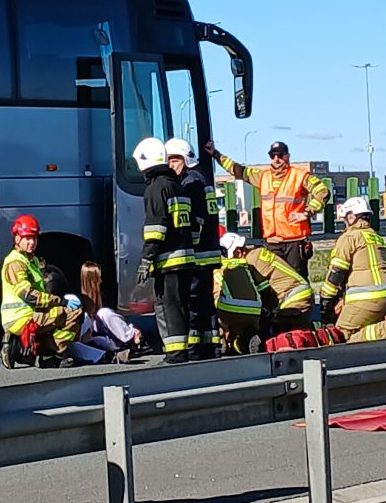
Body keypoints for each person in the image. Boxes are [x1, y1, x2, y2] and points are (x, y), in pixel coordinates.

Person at [204, 138, 330, 279]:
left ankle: (303, 302)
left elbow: (323, 191)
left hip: (295, 240)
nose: (276, 159)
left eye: (280, 155)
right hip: (272, 242)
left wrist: (308, 212)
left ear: (287, 156)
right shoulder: (263, 177)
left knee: (297, 278)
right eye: (273, 155)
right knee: (275, 280)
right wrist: (215, 154)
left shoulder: (299, 176)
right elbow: (237, 170)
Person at [132, 137, 195, 364]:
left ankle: (176, 355)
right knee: (180, 306)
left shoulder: (155, 188)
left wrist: (146, 259)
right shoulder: (177, 185)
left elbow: (156, 230)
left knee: (169, 308)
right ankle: (182, 351)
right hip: (185, 258)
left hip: (169, 260)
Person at [0, 215, 82, 368]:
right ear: (17, 238)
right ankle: (49, 355)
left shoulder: (32, 261)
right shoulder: (15, 262)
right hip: (21, 317)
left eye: (34, 238)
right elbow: (29, 296)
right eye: (27, 238)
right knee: (71, 314)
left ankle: (25, 351)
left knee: (64, 313)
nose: (32, 242)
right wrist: (60, 301)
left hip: (30, 315)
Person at [165, 139, 222, 359]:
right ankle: (210, 346)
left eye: (174, 159)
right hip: (207, 252)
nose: (171, 165)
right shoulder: (202, 178)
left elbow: (195, 220)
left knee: (194, 303)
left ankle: (196, 349)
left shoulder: (190, 183)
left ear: (185, 159)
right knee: (205, 303)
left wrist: (186, 245)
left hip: (198, 254)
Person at [320, 196, 386, 342]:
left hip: (368, 297)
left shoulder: (349, 238)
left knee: (340, 335)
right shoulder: (376, 237)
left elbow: (337, 273)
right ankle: (382, 332)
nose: (344, 224)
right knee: (365, 326)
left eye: (345, 219)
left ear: (351, 217)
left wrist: (326, 300)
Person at [216, 232, 314, 346]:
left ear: (238, 251)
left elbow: (264, 291)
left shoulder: (250, 262)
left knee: (284, 338)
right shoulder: (255, 254)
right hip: (297, 294)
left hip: (292, 299)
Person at [80, 261, 143, 363]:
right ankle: (114, 353)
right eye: (99, 277)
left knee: (103, 313)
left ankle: (131, 336)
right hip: (95, 337)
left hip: (110, 331)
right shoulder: (82, 300)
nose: (101, 280)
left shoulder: (105, 294)